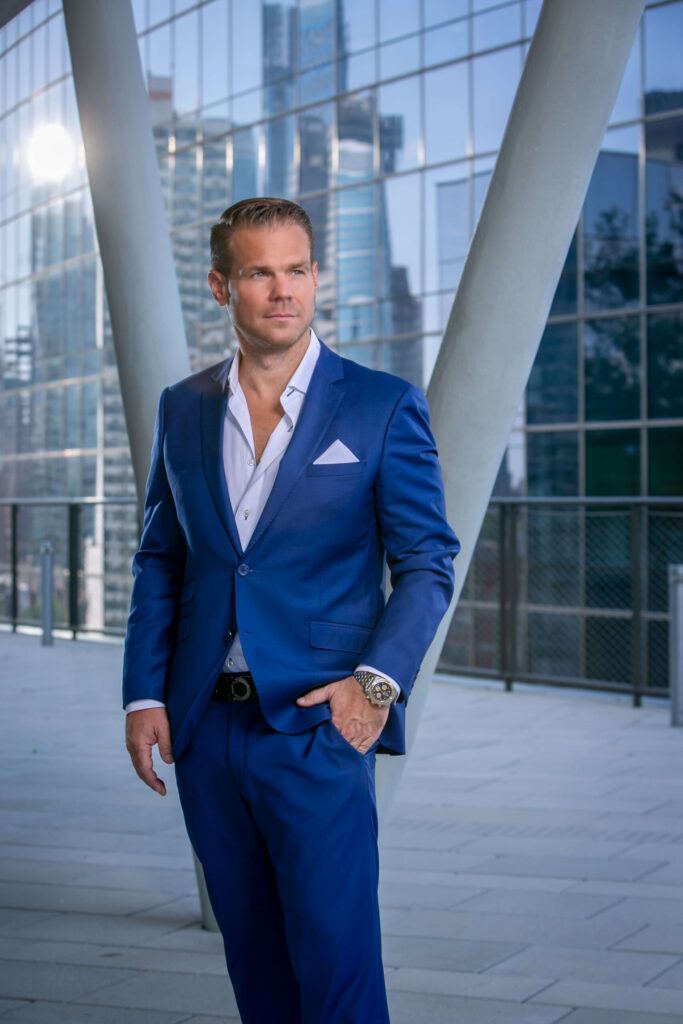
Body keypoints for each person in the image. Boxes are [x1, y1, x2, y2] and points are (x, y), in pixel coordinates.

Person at [123, 196, 459, 1024]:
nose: (283, 290)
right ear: (220, 285)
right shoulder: (184, 407)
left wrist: (372, 688)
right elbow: (163, 559)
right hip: (207, 731)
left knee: (337, 968)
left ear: (316, 276)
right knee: (256, 968)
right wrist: (144, 694)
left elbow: (426, 561)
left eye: (298, 268)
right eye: (259, 271)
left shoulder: (381, 406)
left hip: (315, 725)